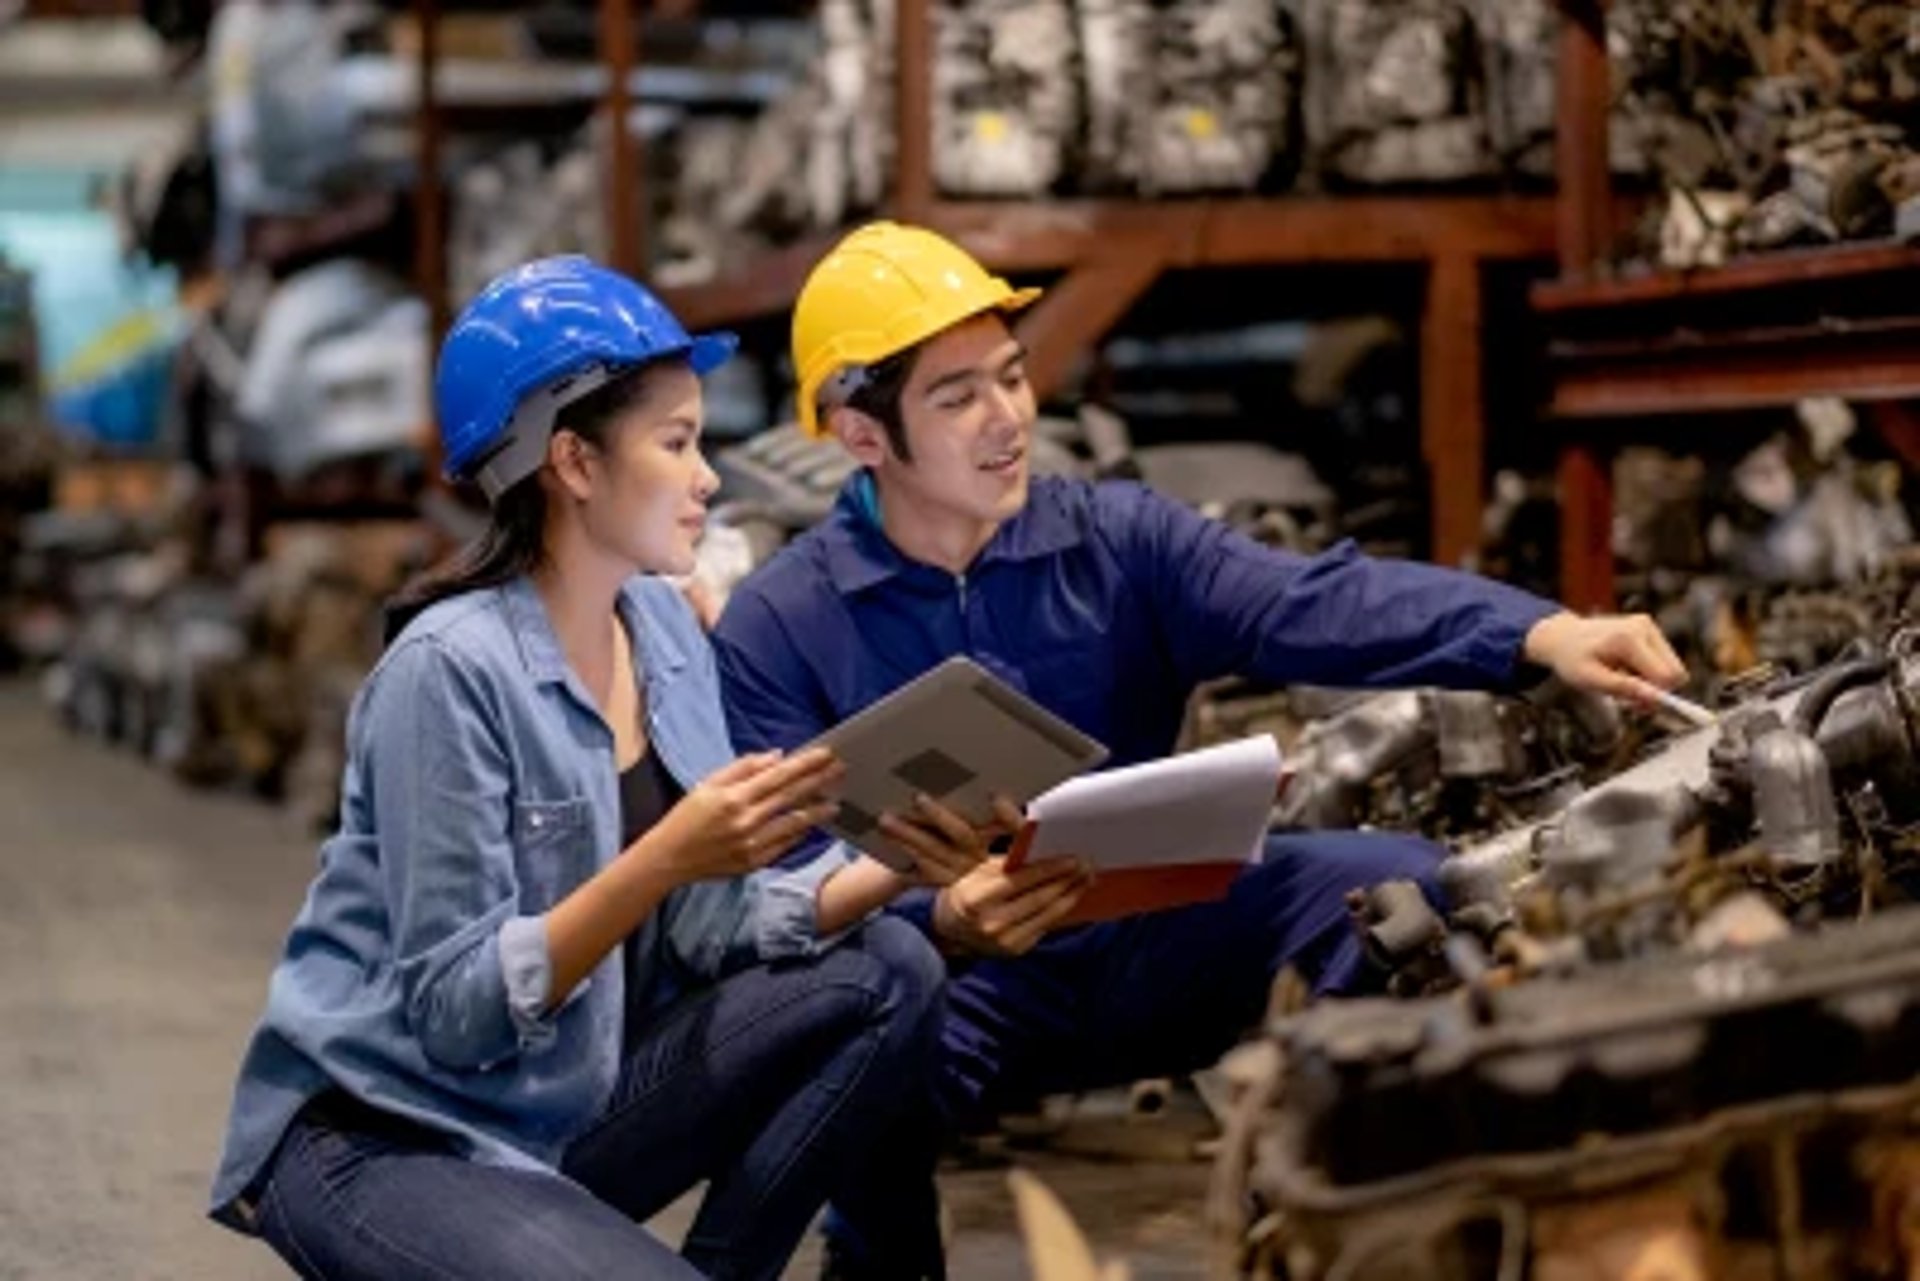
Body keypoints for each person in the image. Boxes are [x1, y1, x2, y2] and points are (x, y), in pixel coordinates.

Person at [708, 222, 1693, 1278]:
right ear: (862, 435)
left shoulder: (1118, 539)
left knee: (1400, 895)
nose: (1010, 420)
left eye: (1011, 377)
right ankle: (885, 1264)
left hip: (1151, 935)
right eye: (957, 399)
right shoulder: (780, 623)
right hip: (964, 989)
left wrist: (1540, 634)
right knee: (858, 1002)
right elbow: (776, 892)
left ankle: (1304, 1225)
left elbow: (1311, 599)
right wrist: (938, 921)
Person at [208, 256, 950, 1281]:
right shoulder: (449, 670)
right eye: (678, 443)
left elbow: (710, 929)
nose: (709, 478)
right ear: (575, 464)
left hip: (556, 1106)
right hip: (391, 1134)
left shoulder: (660, 629)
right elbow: (455, 1015)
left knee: (892, 971)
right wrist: (660, 863)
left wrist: (905, 863)